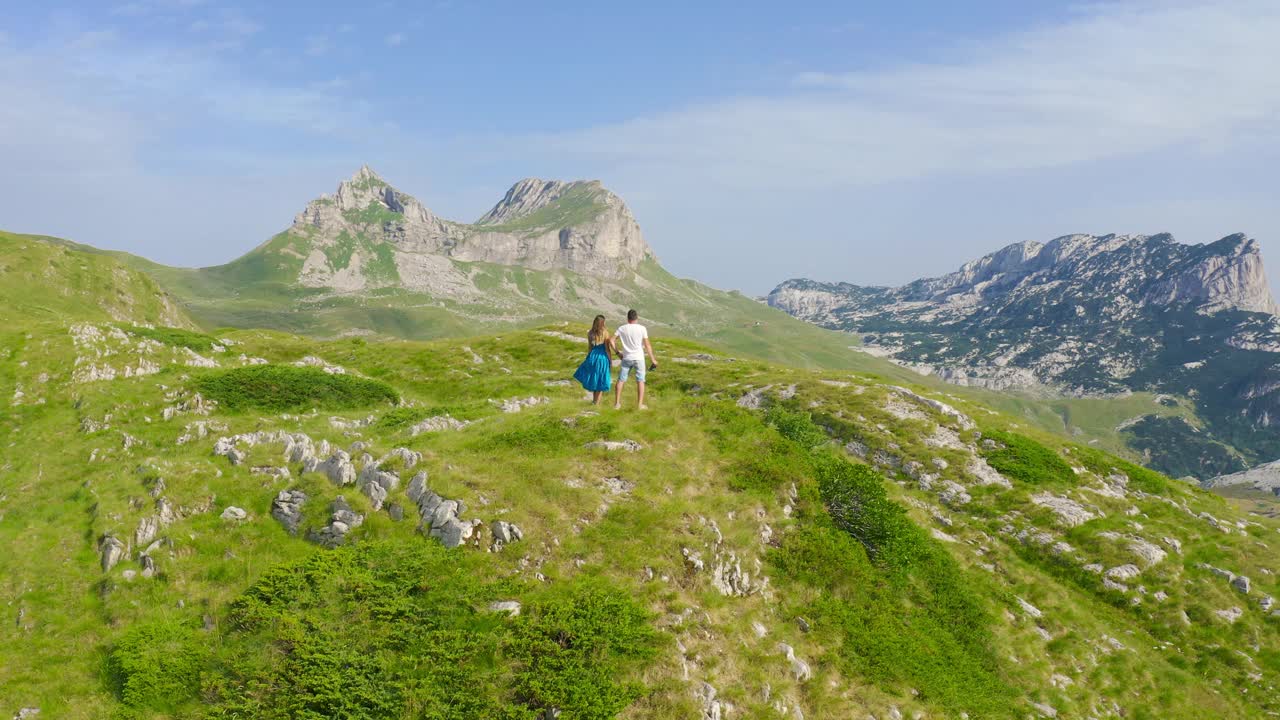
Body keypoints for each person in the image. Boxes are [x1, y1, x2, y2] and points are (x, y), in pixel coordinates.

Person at [613, 308, 657, 410]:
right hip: (639, 358)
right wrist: (653, 359)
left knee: (621, 380)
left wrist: (617, 352)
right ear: (637, 318)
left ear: (627, 318)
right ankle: (640, 405)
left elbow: (611, 340)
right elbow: (647, 345)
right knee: (640, 381)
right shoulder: (642, 328)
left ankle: (617, 404)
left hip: (626, 358)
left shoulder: (622, 328)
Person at [573, 315, 615, 405]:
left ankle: (594, 401)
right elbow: (607, 349)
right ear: (603, 323)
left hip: (592, 357)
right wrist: (610, 361)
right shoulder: (605, 333)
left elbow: (590, 348)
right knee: (600, 380)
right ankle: (596, 403)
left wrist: (588, 358)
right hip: (602, 358)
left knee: (595, 379)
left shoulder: (590, 333)